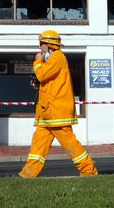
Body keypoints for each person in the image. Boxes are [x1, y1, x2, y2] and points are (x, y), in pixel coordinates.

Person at [18, 30, 98, 178]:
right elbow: (47, 81)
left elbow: (42, 75)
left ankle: (89, 171)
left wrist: (37, 61)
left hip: (56, 111)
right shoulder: (52, 60)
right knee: (38, 146)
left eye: (41, 44)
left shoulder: (57, 57)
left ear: (48, 45)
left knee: (70, 143)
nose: (40, 47)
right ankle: (28, 174)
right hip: (46, 112)